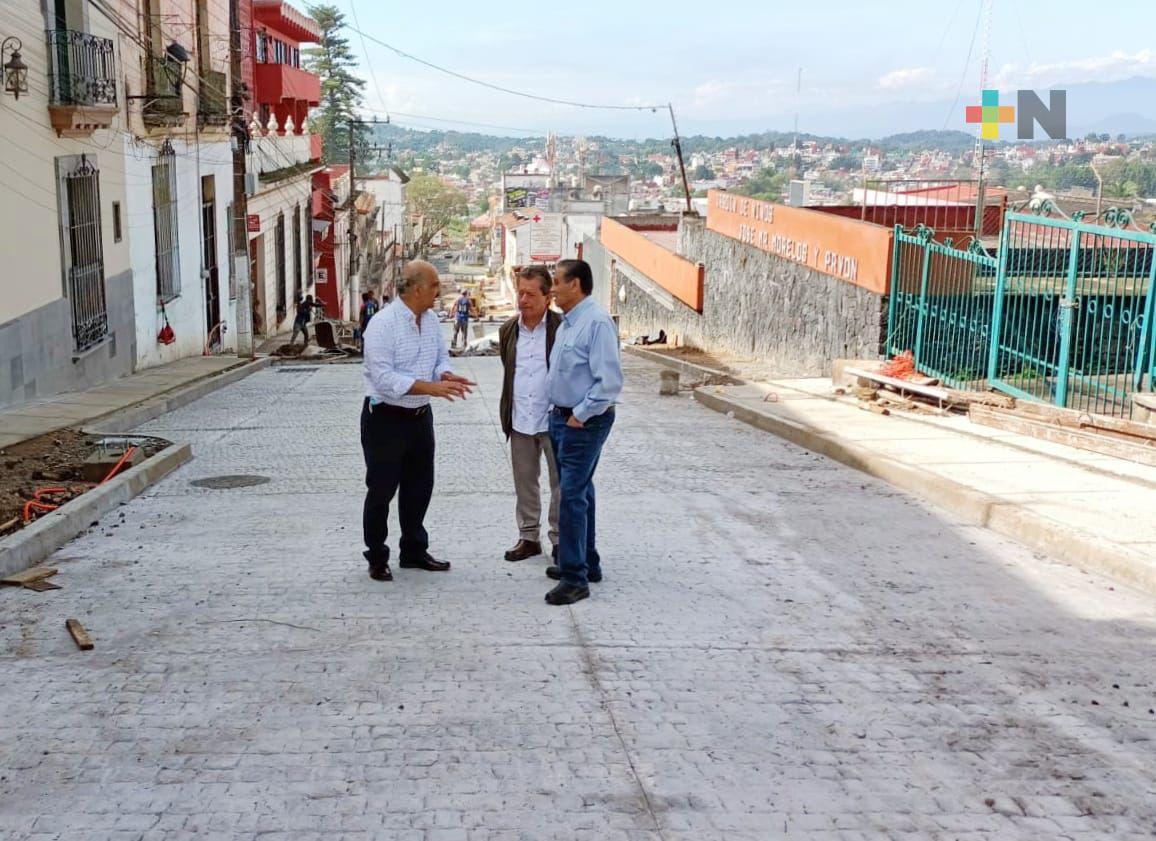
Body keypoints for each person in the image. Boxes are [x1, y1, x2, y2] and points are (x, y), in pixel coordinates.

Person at [361, 260, 476, 582]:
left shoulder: (431, 320)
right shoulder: (382, 324)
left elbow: (440, 358)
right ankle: (377, 556)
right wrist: (430, 387)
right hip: (385, 418)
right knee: (381, 490)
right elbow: (384, 378)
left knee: (419, 487)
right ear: (415, 288)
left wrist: (445, 375)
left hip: (420, 417)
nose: (439, 291)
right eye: (435, 285)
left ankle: (413, 550)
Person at [543, 259, 623, 605]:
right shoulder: (568, 324)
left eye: (557, 282)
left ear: (575, 284)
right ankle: (587, 562)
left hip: (584, 422)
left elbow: (609, 383)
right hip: (562, 418)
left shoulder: (596, 322)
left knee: (571, 496)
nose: (552, 289)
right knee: (580, 490)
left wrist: (581, 413)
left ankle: (574, 577)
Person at [498, 265, 562, 563]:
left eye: (530, 294)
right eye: (520, 293)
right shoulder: (508, 331)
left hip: (555, 419)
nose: (523, 300)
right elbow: (509, 369)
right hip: (520, 417)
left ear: (548, 297)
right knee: (524, 481)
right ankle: (528, 538)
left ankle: (560, 539)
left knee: (561, 484)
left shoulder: (562, 328)